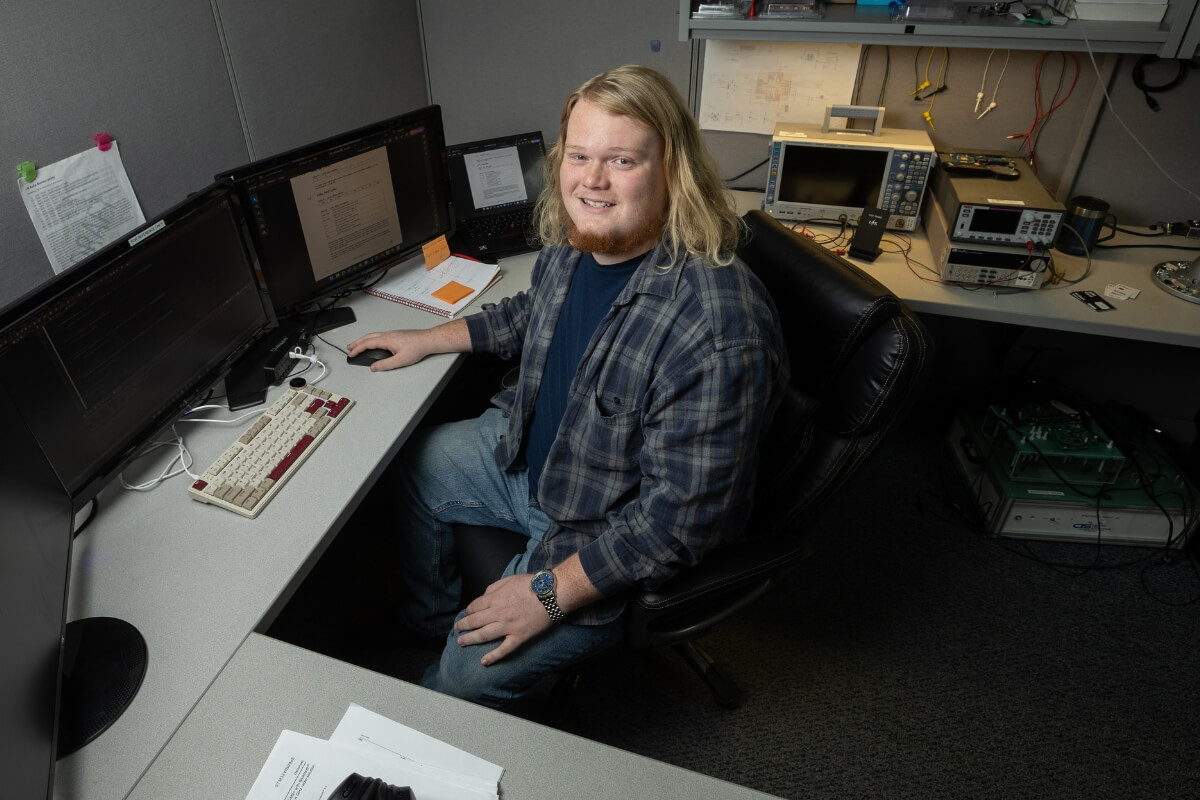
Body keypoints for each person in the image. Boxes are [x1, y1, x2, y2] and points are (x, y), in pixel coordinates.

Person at [347, 64, 789, 708]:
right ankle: (432, 624)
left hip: (604, 523)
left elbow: (681, 522)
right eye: (579, 156)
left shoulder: (716, 328)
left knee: (471, 675)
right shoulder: (577, 242)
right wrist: (430, 337)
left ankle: (426, 716)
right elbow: (532, 313)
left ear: (673, 171)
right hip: (544, 459)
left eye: (621, 161)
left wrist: (549, 594)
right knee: (419, 463)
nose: (593, 181)